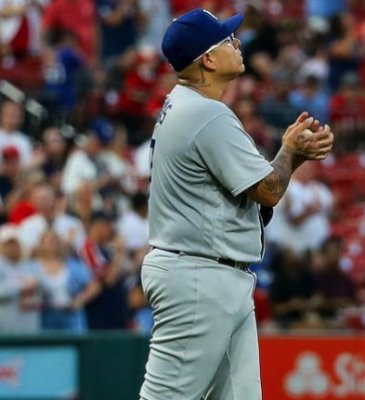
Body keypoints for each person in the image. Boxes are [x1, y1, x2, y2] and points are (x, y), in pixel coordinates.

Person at [138, 9, 334, 400]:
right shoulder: (206, 114)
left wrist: (290, 156)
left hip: (212, 272)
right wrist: (289, 151)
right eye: (227, 39)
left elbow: (257, 192)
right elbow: (269, 191)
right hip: (197, 275)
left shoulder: (184, 104)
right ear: (207, 60)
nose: (237, 42)